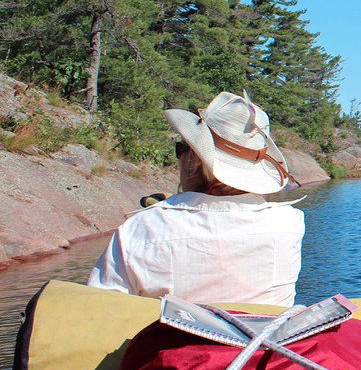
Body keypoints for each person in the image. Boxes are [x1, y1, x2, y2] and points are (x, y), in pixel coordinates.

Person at [87, 91, 304, 307]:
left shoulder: (139, 229)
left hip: (172, 341)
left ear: (193, 159)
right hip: (261, 340)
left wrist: (171, 206)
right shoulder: (290, 223)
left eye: (181, 148)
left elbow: (100, 311)